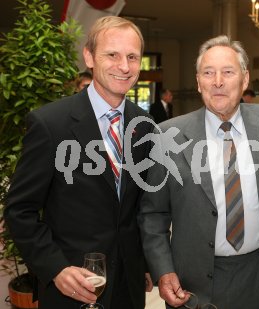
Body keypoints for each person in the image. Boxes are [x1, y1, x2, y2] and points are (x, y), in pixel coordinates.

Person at [5, 16, 154, 309]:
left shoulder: (145, 124)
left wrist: (146, 263)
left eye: (132, 57)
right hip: (73, 288)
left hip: (129, 287)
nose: (124, 66)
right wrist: (55, 268)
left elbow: (140, 206)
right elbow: (19, 210)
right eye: (112, 54)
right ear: (89, 56)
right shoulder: (51, 124)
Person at [138, 35, 259, 309]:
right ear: (198, 81)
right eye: (208, 73)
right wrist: (163, 270)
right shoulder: (167, 135)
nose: (218, 81)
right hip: (192, 285)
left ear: (245, 79)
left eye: (228, 72)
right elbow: (153, 214)